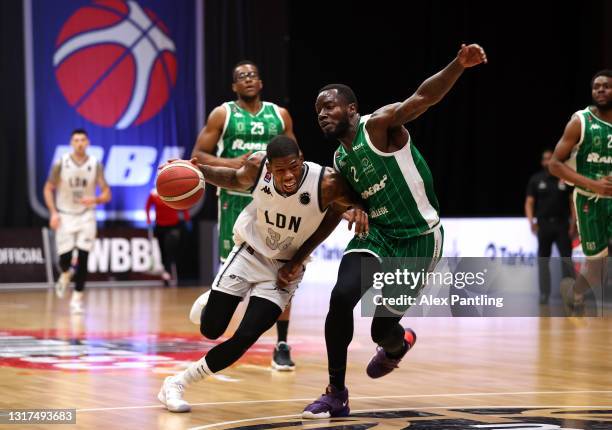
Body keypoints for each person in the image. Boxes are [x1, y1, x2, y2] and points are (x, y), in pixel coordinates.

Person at [274, 43, 487, 419]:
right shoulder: (340, 159)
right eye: (318, 110)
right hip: (378, 234)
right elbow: (341, 205)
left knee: (380, 331)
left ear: (352, 109)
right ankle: (335, 392)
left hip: (419, 238)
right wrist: (347, 210)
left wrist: (458, 64)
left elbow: (423, 98)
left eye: (330, 106)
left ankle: (397, 345)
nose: (322, 114)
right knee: (340, 298)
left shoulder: (379, 126)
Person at [158, 136, 368, 412]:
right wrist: (196, 170)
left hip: (283, 269)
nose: (289, 175)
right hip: (249, 253)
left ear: (302, 158)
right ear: (269, 168)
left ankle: (176, 383)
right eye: (280, 170)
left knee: (246, 336)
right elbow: (232, 179)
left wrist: (355, 210)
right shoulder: (257, 167)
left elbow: (342, 209)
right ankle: (213, 298)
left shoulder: (326, 182)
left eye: (293, 167)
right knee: (211, 329)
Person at [191, 60, 299, 370]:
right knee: (232, 270)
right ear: (234, 87)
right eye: (241, 77)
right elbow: (199, 156)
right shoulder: (223, 114)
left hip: (274, 204)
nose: (248, 79)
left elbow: (296, 155)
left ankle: (281, 343)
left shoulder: (279, 115)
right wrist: (236, 164)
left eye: (253, 74)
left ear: (261, 82)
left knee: (283, 271)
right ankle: (215, 301)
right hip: (234, 201)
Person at [549, 69, 612, 316]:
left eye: (606, 86)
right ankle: (575, 293)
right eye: (596, 87)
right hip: (590, 199)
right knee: (595, 272)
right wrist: (593, 184)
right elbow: (555, 165)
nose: (600, 90)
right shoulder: (581, 121)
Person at [43, 129, 111, 314]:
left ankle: (77, 298)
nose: (79, 143)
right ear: (71, 143)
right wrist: (53, 213)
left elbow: (107, 192)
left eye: (82, 140)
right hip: (65, 214)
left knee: (83, 258)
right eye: (76, 140)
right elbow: (48, 188)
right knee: (64, 259)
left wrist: (95, 200)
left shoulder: (95, 164)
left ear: (87, 142)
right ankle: (65, 274)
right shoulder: (61, 163)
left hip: (86, 215)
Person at [525, 149, 576, 305]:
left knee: (566, 260)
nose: (548, 162)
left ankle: (570, 294)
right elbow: (529, 203)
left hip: (562, 225)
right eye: (545, 159)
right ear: (542, 162)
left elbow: (572, 203)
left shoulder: (564, 179)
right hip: (544, 224)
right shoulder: (536, 179)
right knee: (543, 260)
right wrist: (531, 222)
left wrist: (573, 224)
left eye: (550, 158)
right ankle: (544, 294)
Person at [145, 188, 190, 286]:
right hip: (160, 226)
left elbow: (182, 205)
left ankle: (168, 270)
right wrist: (148, 219)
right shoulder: (154, 193)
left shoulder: (173, 191)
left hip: (173, 225)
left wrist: (186, 217)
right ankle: (166, 272)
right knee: (162, 249)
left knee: (170, 247)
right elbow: (147, 206)